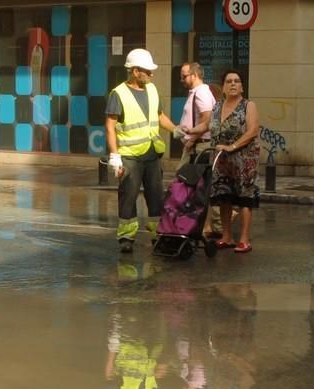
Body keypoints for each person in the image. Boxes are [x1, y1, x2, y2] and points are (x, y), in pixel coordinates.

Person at [105, 48, 184, 254]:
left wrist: (175, 129)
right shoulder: (118, 94)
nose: (151, 74)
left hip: (151, 154)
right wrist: (114, 156)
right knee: (128, 196)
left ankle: (158, 233)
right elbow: (110, 126)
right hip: (129, 155)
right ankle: (126, 236)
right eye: (147, 71)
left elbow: (159, 116)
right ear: (134, 71)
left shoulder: (152, 90)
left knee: (156, 197)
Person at [186, 69, 260, 253]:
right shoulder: (218, 106)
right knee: (224, 197)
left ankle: (244, 239)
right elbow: (207, 125)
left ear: (242, 86)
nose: (233, 84)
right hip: (220, 160)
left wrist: (232, 147)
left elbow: (252, 131)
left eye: (237, 81)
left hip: (243, 159)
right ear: (224, 86)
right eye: (229, 81)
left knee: (244, 199)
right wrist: (190, 130)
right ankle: (227, 236)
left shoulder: (248, 106)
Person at [177, 62, 216, 169]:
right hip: (195, 146)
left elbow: (207, 118)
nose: (181, 80)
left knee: (184, 180)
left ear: (194, 76)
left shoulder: (201, 92)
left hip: (199, 146)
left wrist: (192, 140)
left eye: (184, 76)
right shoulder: (196, 92)